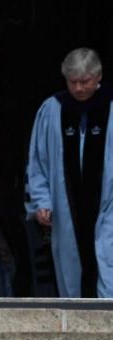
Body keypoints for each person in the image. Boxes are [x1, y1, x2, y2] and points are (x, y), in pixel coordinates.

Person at [25, 47, 113, 298]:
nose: (79, 89)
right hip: (67, 210)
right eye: (72, 82)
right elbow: (38, 160)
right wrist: (41, 201)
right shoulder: (53, 109)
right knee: (71, 269)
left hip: (109, 206)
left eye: (84, 82)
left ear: (98, 77)